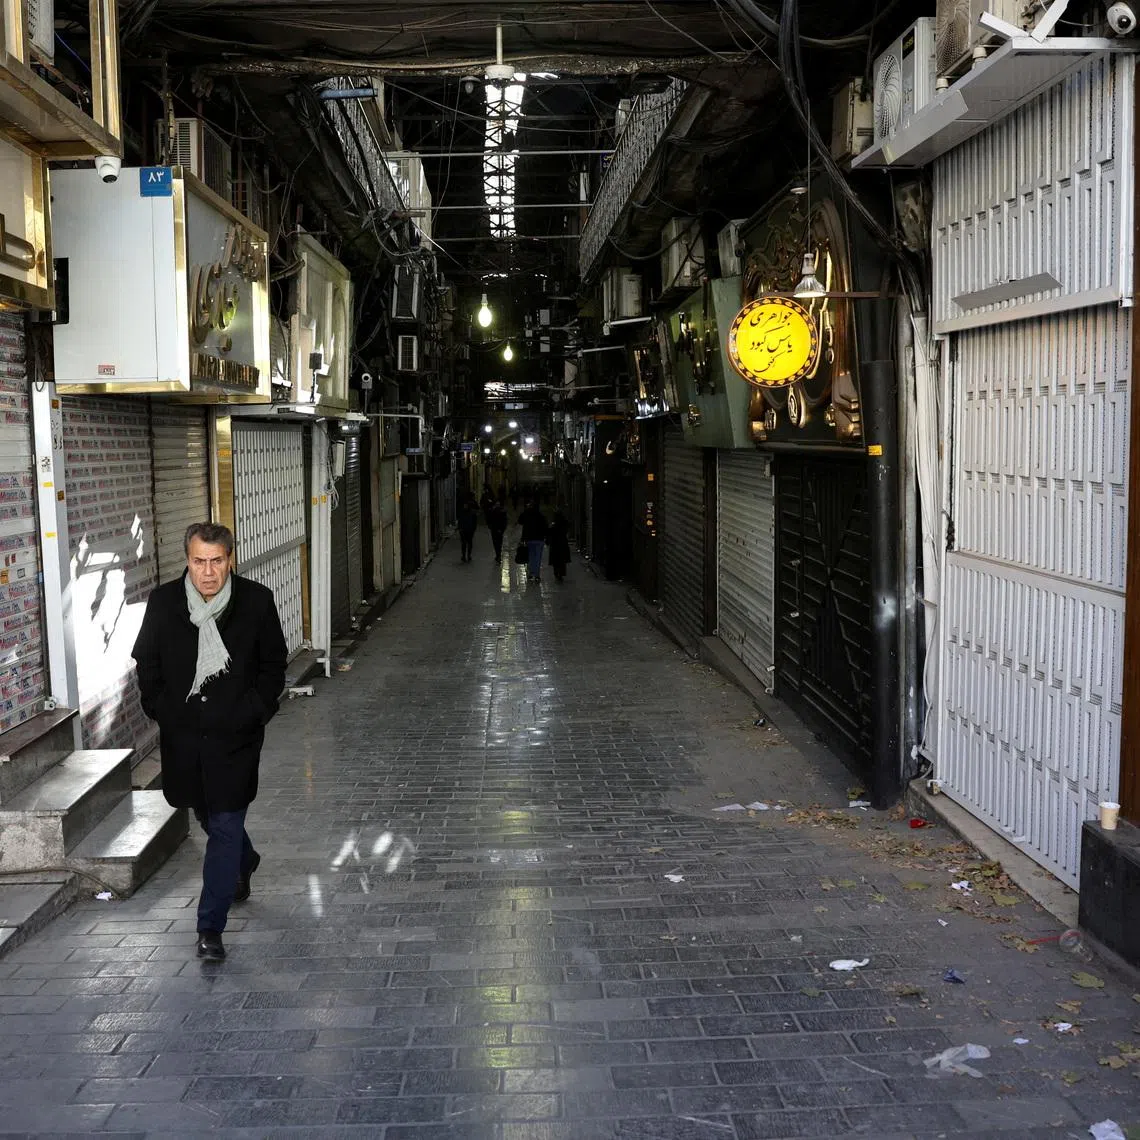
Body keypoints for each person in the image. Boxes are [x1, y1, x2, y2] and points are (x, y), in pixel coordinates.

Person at [131, 522, 287, 961]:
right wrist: (162, 709)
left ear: (230, 559)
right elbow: (147, 662)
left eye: (217, 561)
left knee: (223, 824)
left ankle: (209, 928)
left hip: (236, 739)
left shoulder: (255, 602)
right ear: (188, 560)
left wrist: (254, 711)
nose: (208, 572)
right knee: (205, 812)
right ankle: (245, 858)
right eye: (199, 561)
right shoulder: (164, 603)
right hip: (185, 739)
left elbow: (273, 665)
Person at [517, 496, 548, 582]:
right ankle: (537, 575)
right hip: (539, 539)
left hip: (529, 539)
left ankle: (531, 574)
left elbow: (520, 521)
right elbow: (545, 527)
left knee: (531, 556)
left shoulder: (526, 514)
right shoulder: (541, 515)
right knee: (538, 557)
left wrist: (526, 510)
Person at [548, 503, 571, 582]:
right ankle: (561, 573)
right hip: (562, 543)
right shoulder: (564, 523)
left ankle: (556, 572)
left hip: (555, 544)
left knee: (555, 560)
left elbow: (550, 533)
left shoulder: (553, 525)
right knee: (562, 560)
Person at [457, 495, 479, 562]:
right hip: (463, 530)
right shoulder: (462, 512)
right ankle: (464, 556)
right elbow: (460, 521)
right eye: (464, 505)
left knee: (469, 543)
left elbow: (474, 522)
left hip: (469, 530)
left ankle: (468, 555)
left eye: (466, 505)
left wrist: (473, 529)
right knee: (464, 543)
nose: (465, 506)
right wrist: (460, 528)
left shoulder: (472, 513)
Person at [488, 495, 509, 562]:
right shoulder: (494, 511)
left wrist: (502, 529)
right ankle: (498, 555)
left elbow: (504, 522)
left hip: (497, 529)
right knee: (497, 543)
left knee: (497, 543)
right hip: (496, 529)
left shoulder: (500, 512)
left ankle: (498, 555)